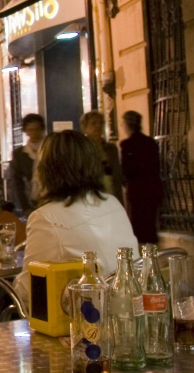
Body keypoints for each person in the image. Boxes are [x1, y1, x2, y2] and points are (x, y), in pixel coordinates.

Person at [13, 130, 139, 304]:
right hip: (129, 305)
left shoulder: (46, 217)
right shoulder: (113, 203)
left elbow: (28, 289)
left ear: (47, 169)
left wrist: (12, 285)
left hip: (90, 316)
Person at [120, 110, 164, 245]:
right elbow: (156, 166)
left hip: (137, 190)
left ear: (127, 125)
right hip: (152, 189)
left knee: (138, 224)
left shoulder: (127, 144)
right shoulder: (150, 142)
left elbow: (127, 170)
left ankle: (142, 256)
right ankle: (152, 252)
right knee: (150, 223)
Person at [81, 110, 124, 203]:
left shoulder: (111, 148)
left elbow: (117, 171)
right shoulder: (82, 148)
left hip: (111, 191)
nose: (98, 126)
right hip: (92, 194)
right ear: (85, 127)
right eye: (93, 123)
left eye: (101, 123)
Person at [9, 113, 46, 217]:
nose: (34, 133)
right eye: (30, 130)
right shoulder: (20, 154)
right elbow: (17, 182)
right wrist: (25, 207)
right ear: (25, 131)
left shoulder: (51, 149)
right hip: (32, 200)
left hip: (51, 199)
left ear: (42, 129)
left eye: (36, 129)